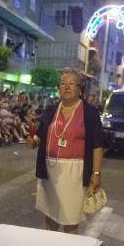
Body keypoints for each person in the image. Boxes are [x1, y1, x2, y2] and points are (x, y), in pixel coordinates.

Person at [28, 67, 103, 234]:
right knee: (50, 214)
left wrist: (96, 174)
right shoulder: (50, 110)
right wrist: (32, 140)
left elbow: (97, 145)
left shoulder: (89, 113)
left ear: (80, 89)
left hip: (75, 172)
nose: (66, 87)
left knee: (71, 218)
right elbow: (38, 137)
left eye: (72, 84)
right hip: (50, 169)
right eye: (63, 83)